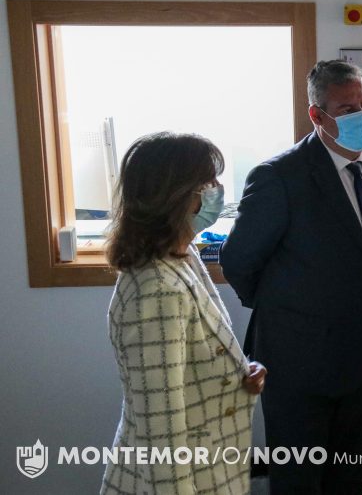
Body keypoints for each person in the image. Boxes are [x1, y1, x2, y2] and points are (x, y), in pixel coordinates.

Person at [221, 60, 362, 494]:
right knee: (299, 482)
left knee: (350, 477)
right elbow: (238, 262)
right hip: (297, 363)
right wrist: (290, 311)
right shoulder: (280, 177)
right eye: (347, 110)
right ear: (317, 115)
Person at [102, 132, 266, 495]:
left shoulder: (181, 256)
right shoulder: (157, 290)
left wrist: (240, 373)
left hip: (210, 468)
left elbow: (195, 359)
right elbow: (161, 429)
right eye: (208, 184)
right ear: (173, 197)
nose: (217, 190)